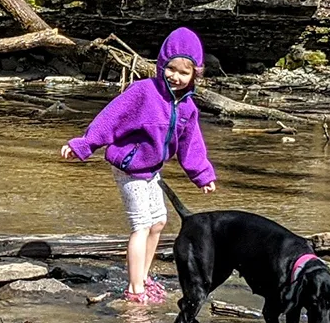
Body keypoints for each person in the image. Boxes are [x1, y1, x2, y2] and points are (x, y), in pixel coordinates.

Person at [61, 27, 216, 303]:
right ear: (161, 65)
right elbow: (110, 119)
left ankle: (144, 276)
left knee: (159, 222)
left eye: (184, 72)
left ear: (195, 75)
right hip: (129, 170)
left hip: (152, 171)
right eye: (171, 69)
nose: (176, 77)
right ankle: (135, 290)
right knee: (141, 226)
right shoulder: (143, 92)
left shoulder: (187, 108)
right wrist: (83, 145)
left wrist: (202, 174)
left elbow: (191, 144)